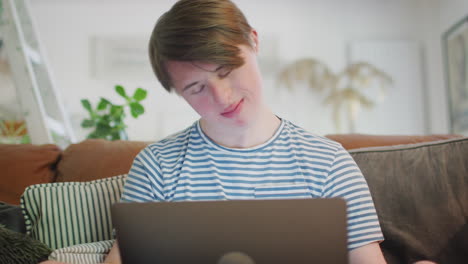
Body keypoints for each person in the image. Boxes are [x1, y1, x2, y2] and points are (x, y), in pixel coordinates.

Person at [43, 0, 387, 263]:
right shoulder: (157, 166)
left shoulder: (328, 162)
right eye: (195, 88)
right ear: (178, 92)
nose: (222, 97)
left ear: (253, 42)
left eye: (226, 70)